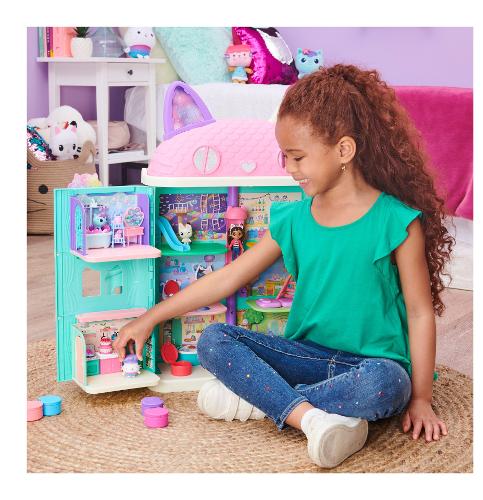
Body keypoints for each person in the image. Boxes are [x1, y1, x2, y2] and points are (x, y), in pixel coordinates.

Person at [114, 64, 454, 468]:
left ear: (344, 151)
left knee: (388, 385)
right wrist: (151, 317)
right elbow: (228, 277)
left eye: (298, 157)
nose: (290, 169)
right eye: (285, 157)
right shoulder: (293, 220)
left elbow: (419, 312)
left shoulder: (396, 221)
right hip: (304, 358)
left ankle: (263, 401)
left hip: (370, 366)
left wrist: (421, 399)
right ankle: (312, 416)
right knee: (214, 340)